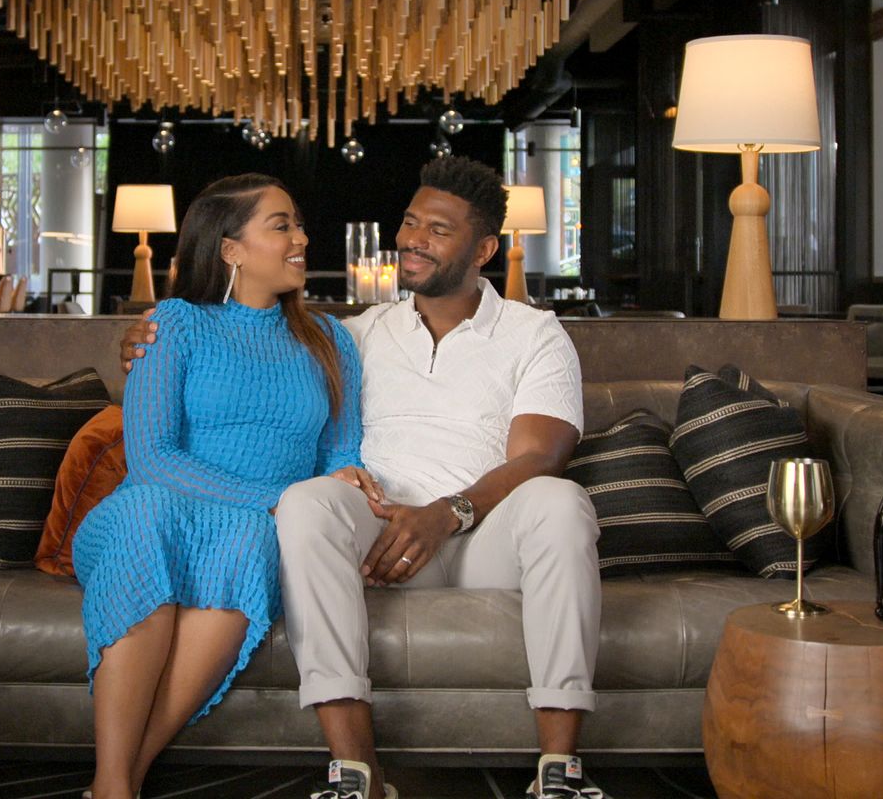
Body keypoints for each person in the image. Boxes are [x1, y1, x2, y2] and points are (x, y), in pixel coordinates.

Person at [123, 156, 603, 799]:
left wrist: (447, 513)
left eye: (438, 229)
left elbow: (539, 456)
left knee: (561, 500)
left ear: (485, 248)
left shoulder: (534, 334)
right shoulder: (355, 335)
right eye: (409, 223)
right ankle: (357, 774)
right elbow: (250, 351)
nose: (412, 240)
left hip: (487, 539)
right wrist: (142, 343)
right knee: (306, 502)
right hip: (380, 533)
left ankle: (558, 772)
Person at [75, 174, 372, 799]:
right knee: (150, 517)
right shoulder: (175, 323)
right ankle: (113, 781)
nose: (301, 237)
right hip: (160, 505)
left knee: (245, 539)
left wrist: (341, 481)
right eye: (282, 224)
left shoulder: (330, 339)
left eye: (297, 223)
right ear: (231, 249)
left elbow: (339, 450)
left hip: (251, 525)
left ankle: (117, 783)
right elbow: (152, 460)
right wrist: (277, 499)